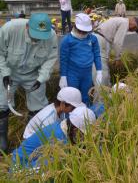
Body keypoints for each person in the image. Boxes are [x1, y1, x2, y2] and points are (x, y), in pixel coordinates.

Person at [0, 13, 58, 152]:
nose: (37, 39)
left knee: (38, 108)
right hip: (10, 72)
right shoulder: (9, 29)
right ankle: (1, 142)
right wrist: (5, 73)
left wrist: (41, 78)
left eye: (41, 37)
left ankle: (30, 141)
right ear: (27, 26)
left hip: (34, 74)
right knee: (1, 105)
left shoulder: (51, 36)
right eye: (34, 35)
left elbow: (51, 58)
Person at [12, 106, 96, 169]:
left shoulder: (63, 127)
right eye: (82, 133)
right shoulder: (57, 137)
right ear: (74, 128)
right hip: (20, 167)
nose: (82, 137)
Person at [59, 13, 102, 106]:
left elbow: (97, 55)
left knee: (86, 96)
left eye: (85, 32)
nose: (82, 34)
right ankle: (71, 118)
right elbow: (63, 59)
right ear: (74, 27)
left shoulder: (92, 39)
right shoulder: (67, 40)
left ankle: (86, 116)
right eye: (80, 31)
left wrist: (99, 71)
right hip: (72, 73)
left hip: (87, 73)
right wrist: (63, 76)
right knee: (72, 97)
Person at [92, 16, 138, 86]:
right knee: (103, 72)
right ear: (133, 21)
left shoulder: (120, 20)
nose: (133, 30)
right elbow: (118, 42)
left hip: (97, 39)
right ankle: (102, 94)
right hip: (101, 41)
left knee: (96, 68)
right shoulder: (125, 23)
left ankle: (104, 90)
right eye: (135, 28)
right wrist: (118, 58)